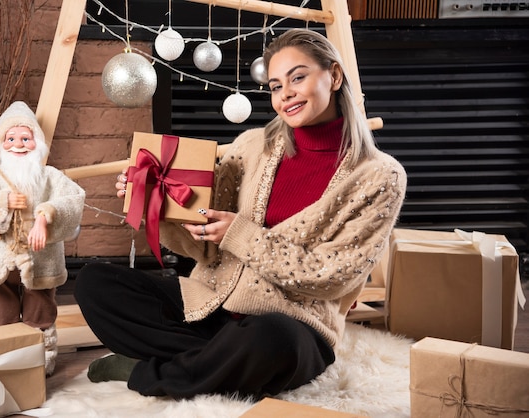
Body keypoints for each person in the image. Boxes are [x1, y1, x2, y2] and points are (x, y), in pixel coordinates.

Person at [75, 28, 407, 399]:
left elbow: (333, 277)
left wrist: (241, 234)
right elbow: (204, 243)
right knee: (94, 284)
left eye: (298, 77)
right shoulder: (251, 146)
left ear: (334, 75)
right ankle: (212, 361)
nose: (286, 95)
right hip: (210, 303)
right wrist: (159, 202)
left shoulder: (379, 175)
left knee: (272, 340)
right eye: (276, 86)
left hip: (293, 325)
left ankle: (147, 371)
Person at [0, 101, 85, 375]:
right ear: (1, 143)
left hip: (39, 261)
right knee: (0, 313)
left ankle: (41, 360)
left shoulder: (49, 176)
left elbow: (74, 199)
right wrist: (1, 201)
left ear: (36, 142)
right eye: (11, 138)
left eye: (26, 138)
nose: (18, 144)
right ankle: (3, 359)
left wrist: (45, 216)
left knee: (40, 312)